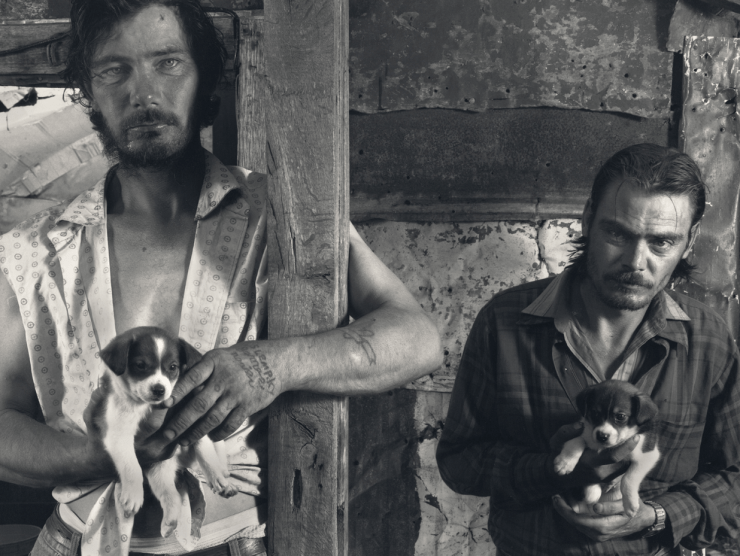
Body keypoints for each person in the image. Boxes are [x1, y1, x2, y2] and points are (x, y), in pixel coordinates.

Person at [0, 1, 443, 555]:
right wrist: (111, 452)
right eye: (114, 70)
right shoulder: (33, 251)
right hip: (78, 541)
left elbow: (418, 339)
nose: (143, 93)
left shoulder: (280, 215)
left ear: (205, 75)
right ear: (89, 91)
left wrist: (272, 365)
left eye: (168, 62)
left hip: (233, 544)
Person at [436, 143, 740, 556]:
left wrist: (658, 515)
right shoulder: (504, 321)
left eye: (661, 242)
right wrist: (552, 470)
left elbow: (736, 479)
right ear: (587, 220)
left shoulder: (708, 339)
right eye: (618, 233)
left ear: (689, 242)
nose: (636, 261)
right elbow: (459, 462)